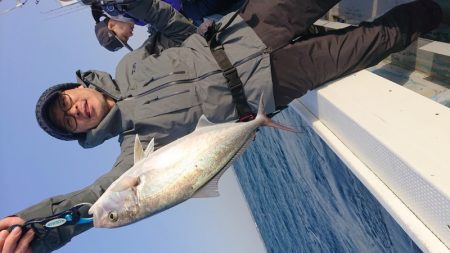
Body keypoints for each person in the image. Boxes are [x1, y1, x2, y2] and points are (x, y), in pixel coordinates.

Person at [0, 0, 447, 252]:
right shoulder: (136, 148)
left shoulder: (131, 62)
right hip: (268, 89)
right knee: (375, 42)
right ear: (82, 134)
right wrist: (35, 229)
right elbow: (93, 204)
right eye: (67, 122)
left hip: (249, 28)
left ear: (74, 86)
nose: (72, 110)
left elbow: (170, 24)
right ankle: (435, 11)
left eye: (64, 102)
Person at [91, 0, 244, 52]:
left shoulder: (116, 6)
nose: (130, 36)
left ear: (111, 24)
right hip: (190, 9)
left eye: (124, 36)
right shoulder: (136, 20)